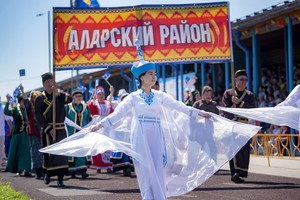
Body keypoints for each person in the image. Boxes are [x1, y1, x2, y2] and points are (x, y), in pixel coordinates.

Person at [40, 45, 261, 199]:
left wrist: (197, 114)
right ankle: (148, 196)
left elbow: (179, 107)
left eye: (155, 74)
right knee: (145, 169)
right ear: (142, 77)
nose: (154, 77)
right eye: (151, 74)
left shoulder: (160, 95)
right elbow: (117, 116)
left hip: (157, 134)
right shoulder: (134, 98)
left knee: (159, 166)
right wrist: (100, 125)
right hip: (140, 135)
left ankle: (159, 197)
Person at [35, 72, 72, 187]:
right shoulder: (40, 98)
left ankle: (60, 178)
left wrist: (58, 93)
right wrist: (48, 128)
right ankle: (47, 174)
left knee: (61, 154)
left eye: (51, 81)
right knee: (49, 153)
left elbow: (69, 99)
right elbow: (38, 116)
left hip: (60, 129)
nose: (49, 84)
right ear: (43, 84)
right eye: (47, 82)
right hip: (48, 130)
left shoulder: (59, 95)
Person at [222, 69, 256, 183]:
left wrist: (240, 103)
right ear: (235, 80)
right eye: (241, 79)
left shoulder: (250, 95)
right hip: (232, 125)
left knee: (244, 151)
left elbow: (253, 110)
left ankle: (241, 173)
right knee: (233, 149)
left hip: (244, 126)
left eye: (246, 80)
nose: (244, 82)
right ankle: (234, 173)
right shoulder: (228, 93)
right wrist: (232, 104)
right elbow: (224, 110)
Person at [4, 85, 31, 176]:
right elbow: (7, 112)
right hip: (17, 134)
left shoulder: (28, 109)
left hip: (26, 134)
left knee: (26, 152)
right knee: (16, 152)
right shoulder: (16, 109)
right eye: (22, 101)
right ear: (19, 101)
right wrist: (8, 101)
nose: (24, 102)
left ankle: (26, 169)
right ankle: (18, 169)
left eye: (25, 100)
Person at [65, 89, 92, 178]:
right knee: (72, 151)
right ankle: (72, 170)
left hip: (82, 133)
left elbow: (89, 119)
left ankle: (83, 171)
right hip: (72, 133)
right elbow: (64, 119)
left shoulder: (86, 107)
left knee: (82, 150)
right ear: (73, 98)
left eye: (80, 96)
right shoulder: (68, 107)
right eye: (77, 96)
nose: (79, 98)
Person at [88, 85, 114, 173]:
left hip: (107, 128)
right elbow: (89, 114)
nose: (101, 96)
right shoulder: (93, 103)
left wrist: (112, 92)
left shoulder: (107, 103)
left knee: (106, 146)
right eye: (99, 94)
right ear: (96, 95)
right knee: (98, 146)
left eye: (102, 94)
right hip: (98, 127)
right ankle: (99, 165)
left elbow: (112, 113)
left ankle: (107, 165)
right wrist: (93, 117)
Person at [110, 89, 133, 176]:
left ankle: (128, 168)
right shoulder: (118, 106)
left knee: (129, 150)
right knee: (121, 150)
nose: (125, 99)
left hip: (130, 131)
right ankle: (125, 168)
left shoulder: (132, 107)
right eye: (123, 98)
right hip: (120, 131)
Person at [27, 90, 43, 179]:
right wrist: (22, 91)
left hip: (42, 129)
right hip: (34, 131)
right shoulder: (30, 106)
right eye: (35, 97)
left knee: (43, 150)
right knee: (35, 151)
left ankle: (43, 169)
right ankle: (37, 170)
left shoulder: (43, 106)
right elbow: (25, 102)